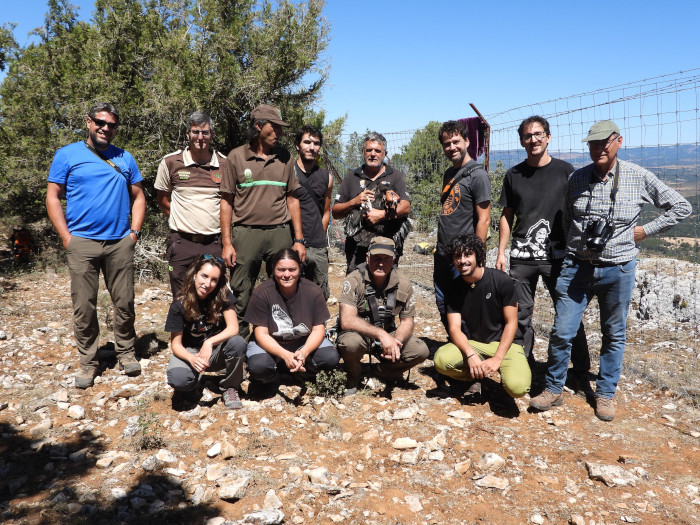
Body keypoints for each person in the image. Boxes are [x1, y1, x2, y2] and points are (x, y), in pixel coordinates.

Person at [530, 120, 692, 421]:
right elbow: (567, 221)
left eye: (604, 142)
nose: (598, 148)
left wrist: (646, 230)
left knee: (613, 334)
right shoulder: (577, 179)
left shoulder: (637, 176)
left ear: (619, 141)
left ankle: (604, 395)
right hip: (577, 267)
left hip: (618, 268)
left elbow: (681, 207)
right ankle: (553, 389)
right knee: (562, 332)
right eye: (592, 143)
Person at [46, 102, 146, 389]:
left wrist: (134, 233)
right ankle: (88, 361)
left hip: (119, 243)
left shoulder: (125, 158)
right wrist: (66, 237)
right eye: (100, 123)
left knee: (124, 302)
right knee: (84, 307)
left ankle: (126, 351)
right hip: (82, 242)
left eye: (111, 125)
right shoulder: (68, 155)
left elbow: (139, 196)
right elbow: (53, 196)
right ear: (89, 122)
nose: (105, 129)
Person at [496, 116, 590, 383]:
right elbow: (506, 215)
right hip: (521, 258)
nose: (533, 140)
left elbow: (578, 212)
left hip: (558, 257)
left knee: (568, 312)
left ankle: (580, 368)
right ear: (522, 141)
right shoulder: (513, 175)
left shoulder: (565, 171)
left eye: (538, 134)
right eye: (527, 136)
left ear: (548, 137)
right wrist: (501, 252)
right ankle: (522, 365)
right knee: (519, 314)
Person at [220, 104, 306, 339]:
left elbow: (292, 199)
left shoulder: (285, 157)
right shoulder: (236, 157)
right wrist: (227, 242)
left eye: (280, 128)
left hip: (280, 233)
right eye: (274, 127)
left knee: (284, 288)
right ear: (258, 127)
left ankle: (281, 342)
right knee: (240, 290)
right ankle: (239, 346)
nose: (279, 133)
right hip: (246, 235)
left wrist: (298, 239)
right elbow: (226, 201)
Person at [433, 234, 531, 400]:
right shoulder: (453, 288)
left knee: (518, 388)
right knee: (441, 360)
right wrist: (471, 355)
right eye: (457, 256)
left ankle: (499, 378)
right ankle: (475, 377)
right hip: (476, 344)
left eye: (467, 255)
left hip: (506, 345)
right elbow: (454, 328)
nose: (462, 261)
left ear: (477, 256)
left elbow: (511, 322)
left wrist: (497, 358)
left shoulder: (501, 280)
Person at [155, 111, 233, 299]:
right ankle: (183, 329)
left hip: (213, 243)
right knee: (181, 297)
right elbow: (163, 199)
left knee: (213, 296)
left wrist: (225, 242)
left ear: (212, 135)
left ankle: (211, 330)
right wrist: (182, 220)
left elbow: (228, 203)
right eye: (196, 132)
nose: (200, 137)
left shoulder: (224, 164)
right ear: (188, 134)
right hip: (182, 243)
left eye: (205, 133)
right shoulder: (171, 162)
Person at [337, 236, 429, 395]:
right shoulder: (354, 280)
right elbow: (346, 320)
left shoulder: (404, 283)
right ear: (367, 257)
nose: (381, 263)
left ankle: (380, 371)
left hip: (388, 333)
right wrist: (381, 334)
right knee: (349, 344)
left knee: (420, 350)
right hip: (360, 335)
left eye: (386, 258)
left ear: (394, 259)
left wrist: (397, 341)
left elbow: (407, 321)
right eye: (376, 258)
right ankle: (354, 373)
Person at [244, 249, 339, 393]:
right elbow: (261, 333)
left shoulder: (313, 291)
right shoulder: (262, 293)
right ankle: (271, 378)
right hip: (272, 342)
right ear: (273, 269)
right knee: (258, 366)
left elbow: (318, 329)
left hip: (302, 341)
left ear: (300, 269)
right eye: (281, 270)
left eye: (292, 269)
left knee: (330, 357)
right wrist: (285, 355)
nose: (287, 274)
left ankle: (305, 373)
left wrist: (305, 352)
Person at [165, 255, 247, 410]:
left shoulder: (223, 297)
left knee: (238, 342)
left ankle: (230, 387)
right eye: (204, 276)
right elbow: (176, 345)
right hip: (191, 353)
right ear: (195, 275)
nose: (207, 284)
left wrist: (210, 342)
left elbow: (233, 328)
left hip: (215, 352)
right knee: (179, 380)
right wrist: (191, 358)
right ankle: (191, 384)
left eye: (214, 280)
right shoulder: (179, 304)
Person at [434, 120, 491, 330]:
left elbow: (484, 219)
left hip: (463, 253)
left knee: (466, 303)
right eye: (447, 144)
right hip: (442, 251)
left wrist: (476, 254)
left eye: (456, 142)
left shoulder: (478, 175)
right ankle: (455, 343)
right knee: (443, 301)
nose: (451, 148)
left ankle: (471, 348)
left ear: (467, 141)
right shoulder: (449, 174)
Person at [331, 132, 411, 273]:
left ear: (384, 153)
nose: (373, 154)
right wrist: (354, 202)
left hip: (387, 247)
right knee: (356, 285)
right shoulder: (352, 177)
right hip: (357, 248)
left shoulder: (395, 176)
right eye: (369, 150)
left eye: (377, 151)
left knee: (386, 288)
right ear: (363, 152)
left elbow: (406, 207)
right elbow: (336, 212)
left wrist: (381, 215)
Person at [294, 125, 334, 299]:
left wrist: (320, 234)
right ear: (297, 145)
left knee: (318, 294)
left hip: (317, 246)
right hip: (292, 243)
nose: (312, 147)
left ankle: (318, 327)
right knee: (291, 292)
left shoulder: (326, 177)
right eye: (307, 142)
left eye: (316, 143)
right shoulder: (288, 173)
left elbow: (326, 211)